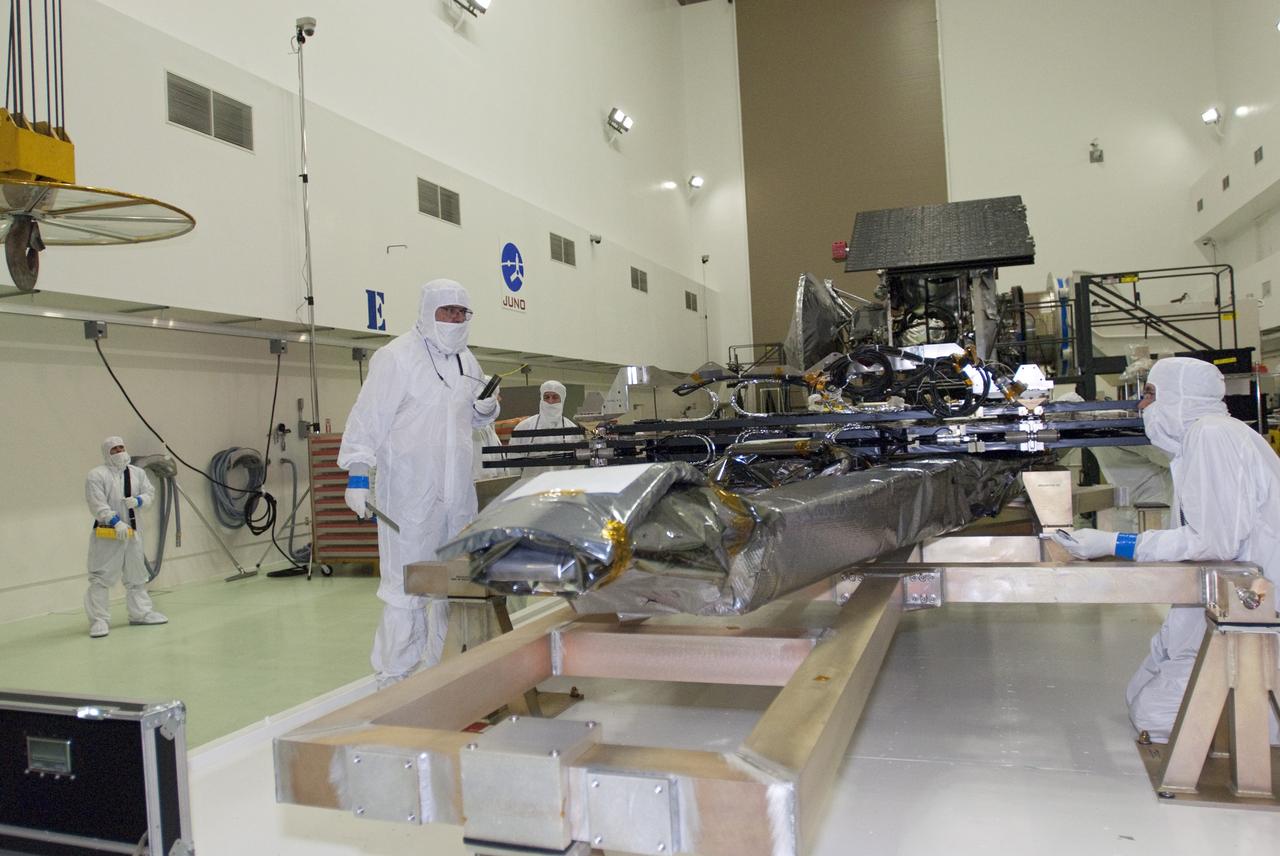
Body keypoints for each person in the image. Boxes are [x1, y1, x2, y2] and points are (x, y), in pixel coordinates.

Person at [1051, 357, 1280, 742]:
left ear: (1181, 396)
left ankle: (1257, 732)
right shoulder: (1200, 440)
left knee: (1153, 715)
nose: (1143, 406)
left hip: (1258, 605)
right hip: (1231, 587)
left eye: (1151, 395)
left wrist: (1116, 543)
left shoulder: (1213, 435)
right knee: (1141, 692)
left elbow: (1213, 541)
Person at [338, 279, 500, 687]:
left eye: (462, 313)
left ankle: (443, 669)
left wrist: (487, 407)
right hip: (409, 495)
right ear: (428, 312)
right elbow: (367, 419)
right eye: (447, 312)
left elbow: (475, 418)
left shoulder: (468, 362)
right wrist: (359, 472)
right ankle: (395, 677)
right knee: (406, 587)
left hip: (457, 494)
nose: (454, 320)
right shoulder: (396, 358)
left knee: (452, 582)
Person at [84, 436, 167, 638]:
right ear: (106, 453)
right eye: (114, 449)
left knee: (136, 575)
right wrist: (115, 522)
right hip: (107, 534)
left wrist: (139, 500)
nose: (119, 451)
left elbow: (150, 493)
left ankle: (141, 613)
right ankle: (99, 620)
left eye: (122, 447)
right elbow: (97, 504)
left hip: (133, 533)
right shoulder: (97, 475)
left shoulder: (137, 473)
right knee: (101, 578)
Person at [508, 380, 578, 471]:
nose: (550, 401)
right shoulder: (524, 427)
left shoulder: (573, 431)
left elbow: (577, 466)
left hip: (563, 484)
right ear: (541, 399)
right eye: (546, 397)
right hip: (531, 483)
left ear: (562, 400)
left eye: (555, 397)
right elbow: (513, 462)